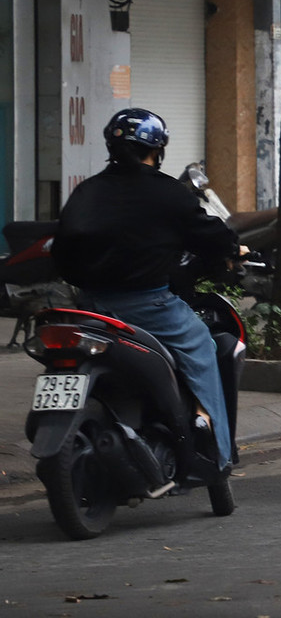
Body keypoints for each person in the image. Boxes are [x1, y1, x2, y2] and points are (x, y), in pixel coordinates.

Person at [52, 108, 241, 471]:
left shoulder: (87, 191)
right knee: (202, 344)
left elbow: (61, 250)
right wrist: (233, 249)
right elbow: (211, 235)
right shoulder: (168, 192)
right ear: (157, 150)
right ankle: (214, 453)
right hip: (150, 307)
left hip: (88, 309)